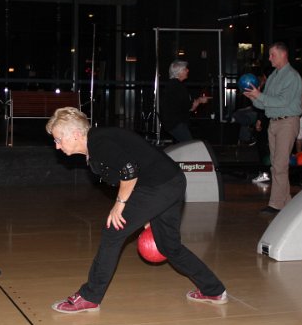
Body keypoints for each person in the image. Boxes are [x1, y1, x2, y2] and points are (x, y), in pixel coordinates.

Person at [46, 107, 227, 313]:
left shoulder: (99, 142)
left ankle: (89, 297)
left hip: (160, 186)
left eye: (59, 139)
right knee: (169, 246)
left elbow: (129, 170)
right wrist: (147, 212)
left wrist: (120, 204)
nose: (57, 146)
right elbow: (135, 169)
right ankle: (213, 290)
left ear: (76, 134)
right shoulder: (96, 145)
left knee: (112, 233)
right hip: (170, 182)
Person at [243, 42, 302, 214]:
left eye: (272, 55)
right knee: (276, 166)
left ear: (283, 54)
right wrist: (253, 97)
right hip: (274, 123)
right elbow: (265, 104)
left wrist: (259, 95)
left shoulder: (292, 76)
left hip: (287, 122)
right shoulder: (273, 76)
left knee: (279, 165)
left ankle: (276, 204)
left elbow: (282, 101)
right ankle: (287, 203)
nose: (269, 58)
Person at [159, 60, 210, 143]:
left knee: (182, 145)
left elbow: (180, 104)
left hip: (170, 123)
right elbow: (189, 107)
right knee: (189, 145)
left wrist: (196, 101)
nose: (188, 70)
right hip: (176, 123)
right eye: (185, 69)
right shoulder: (179, 87)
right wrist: (200, 101)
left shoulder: (171, 85)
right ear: (179, 72)